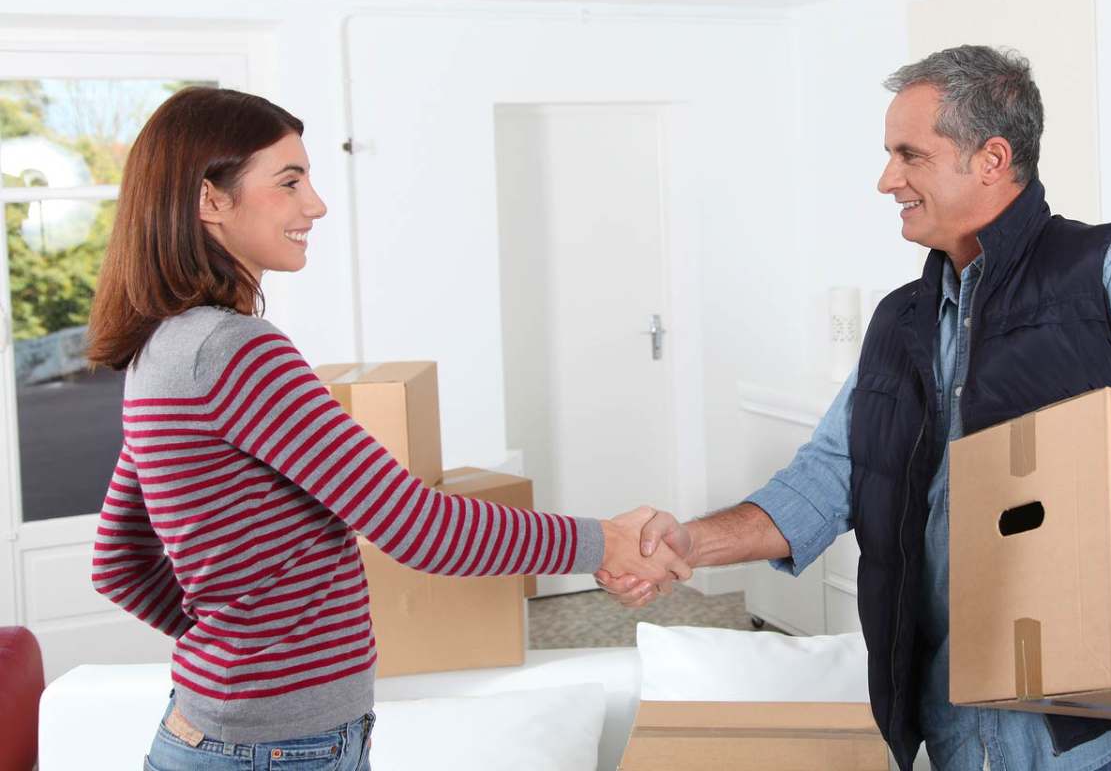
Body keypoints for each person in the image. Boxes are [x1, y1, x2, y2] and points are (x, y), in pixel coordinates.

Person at [596, 45, 1111, 771]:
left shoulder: (1108, 276)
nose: (887, 181)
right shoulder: (900, 320)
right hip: (944, 714)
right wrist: (689, 541)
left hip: (1074, 728)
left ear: (992, 159)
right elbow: (828, 479)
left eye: (910, 155)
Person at [87, 87, 689, 770]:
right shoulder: (233, 351)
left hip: (215, 732)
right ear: (210, 200)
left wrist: (235, 652)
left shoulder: (162, 350)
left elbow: (117, 563)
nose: (315, 204)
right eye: (289, 182)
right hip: (276, 750)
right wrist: (608, 541)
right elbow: (418, 527)